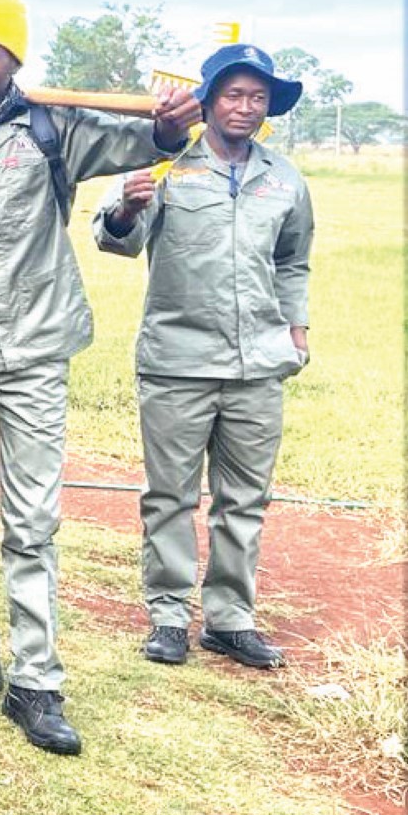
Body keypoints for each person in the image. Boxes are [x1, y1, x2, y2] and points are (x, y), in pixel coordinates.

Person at [0, 0, 200, 755]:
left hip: (34, 351)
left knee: (30, 522)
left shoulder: (57, 128)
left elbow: (146, 141)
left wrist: (168, 120)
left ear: (13, 63)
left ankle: (35, 681)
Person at [91, 43, 312, 671]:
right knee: (170, 495)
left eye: (257, 98)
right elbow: (114, 242)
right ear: (208, 101)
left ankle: (229, 619)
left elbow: (293, 259)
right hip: (178, 362)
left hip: (258, 366)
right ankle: (166, 615)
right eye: (233, 95)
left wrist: (295, 329)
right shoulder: (165, 165)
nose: (245, 108)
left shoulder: (284, 177)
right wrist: (127, 207)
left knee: (244, 498)